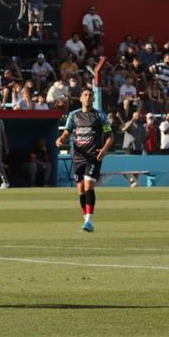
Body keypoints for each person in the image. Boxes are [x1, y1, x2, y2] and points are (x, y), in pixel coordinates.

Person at [56, 89, 113, 232]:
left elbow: (110, 136)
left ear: (93, 99)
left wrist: (104, 150)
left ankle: (89, 220)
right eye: (85, 95)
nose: (88, 98)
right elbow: (66, 133)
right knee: (80, 190)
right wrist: (60, 139)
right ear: (80, 98)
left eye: (90, 96)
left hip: (94, 157)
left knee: (88, 186)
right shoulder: (73, 116)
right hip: (78, 158)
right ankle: (86, 218)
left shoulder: (100, 116)